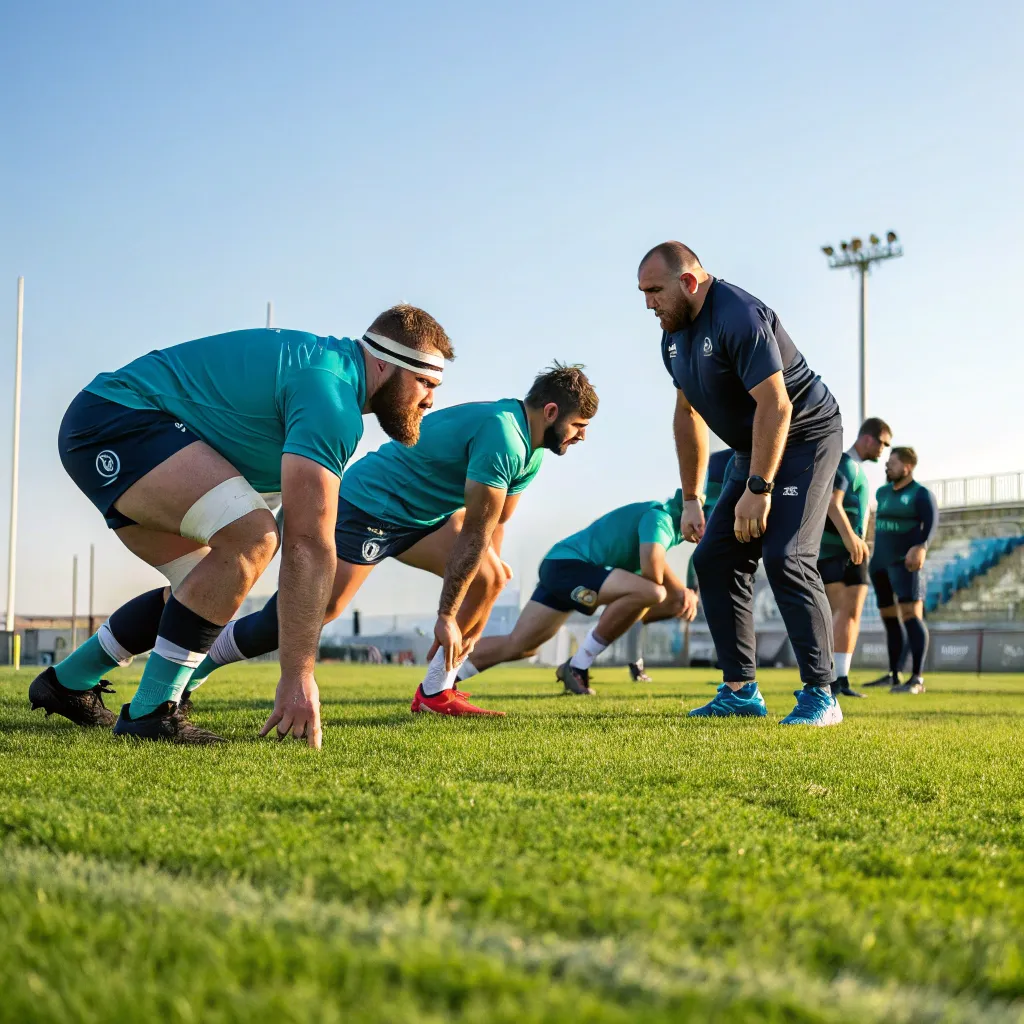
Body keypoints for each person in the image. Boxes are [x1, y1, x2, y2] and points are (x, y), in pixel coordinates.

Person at [29, 306, 452, 745]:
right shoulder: (333, 396)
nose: (431, 400)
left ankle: (67, 683)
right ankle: (151, 711)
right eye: (425, 382)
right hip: (116, 418)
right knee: (253, 538)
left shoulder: (331, 378)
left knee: (203, 589)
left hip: (120, 418)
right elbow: (309, 543)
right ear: (383, 363)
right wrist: (298, 675)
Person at [187, 364, 598, 716]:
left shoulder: (535, 449)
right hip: (369, 506)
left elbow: (493, 524)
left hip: (424, 518)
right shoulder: (504, 436)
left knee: (490, 577)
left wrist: (488, 581)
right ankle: (192, 670)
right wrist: (447, 616)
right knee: (310, 611)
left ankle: (435, 691)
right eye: (579, 426)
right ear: (550, 411)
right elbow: (474, 531)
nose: (581, 437)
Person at [638, 241, 844, 726]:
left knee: (786, 556)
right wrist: (691, 498)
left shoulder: (739, 315)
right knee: (714, 558)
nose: (648, 303)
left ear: (689, 281)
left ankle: (822, 695)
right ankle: (740, 691)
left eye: (654, 291)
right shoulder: (673, 336)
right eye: (643, 293)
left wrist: (758, 488)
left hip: (804, 436)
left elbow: (777, 406)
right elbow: (687, 415)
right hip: (754, 446)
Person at [453, 490, 699, 694]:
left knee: (520, 646)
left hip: (560, 565)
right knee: (651, 592)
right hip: (569, 568)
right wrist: (673, 596)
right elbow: (653, 573)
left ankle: (441, 680)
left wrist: (676, 597)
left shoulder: (668, 523)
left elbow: (658, 576)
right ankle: (578, 665)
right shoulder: (661, 519)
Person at [817, 417, 892, 699]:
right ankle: (834, 679)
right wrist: (851, 538)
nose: (883, 450)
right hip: (841, 551)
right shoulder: (846, 464)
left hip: (841, 551)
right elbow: (831, 503)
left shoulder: (851, 466)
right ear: (868, 439)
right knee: (843, 614)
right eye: (883, 443)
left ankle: (837, 679)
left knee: (845, 614)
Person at [865, 447, 938, 694]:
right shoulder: (882, 492)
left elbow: (931, 523)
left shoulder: (920, 494)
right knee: (889, 619)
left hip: (903, 564)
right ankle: (894, 674)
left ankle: (916, 678)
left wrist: (922, 547)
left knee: (910, 615)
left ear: (907, 467)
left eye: (892, 463)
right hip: (879, 565)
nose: (887, 466)